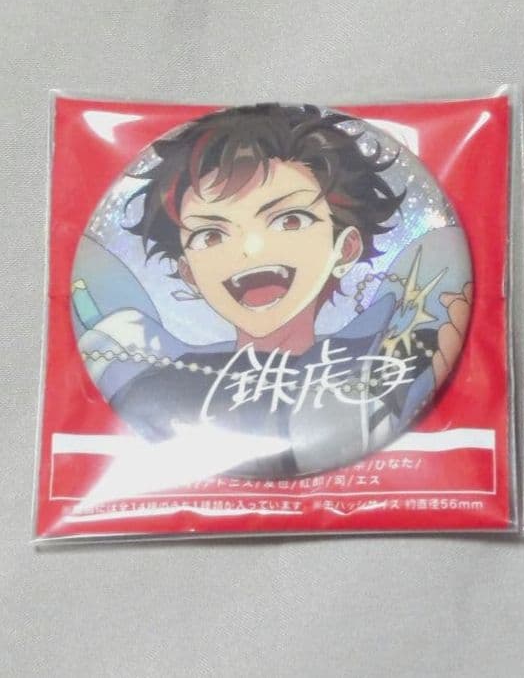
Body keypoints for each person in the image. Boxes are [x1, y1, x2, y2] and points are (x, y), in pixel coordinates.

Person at [77, 104, 470, 477]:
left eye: (290, 220)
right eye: (211, 235)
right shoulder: (160, 388)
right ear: (189, 274)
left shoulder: (386, 360)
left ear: (346, 248)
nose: (251, 250)